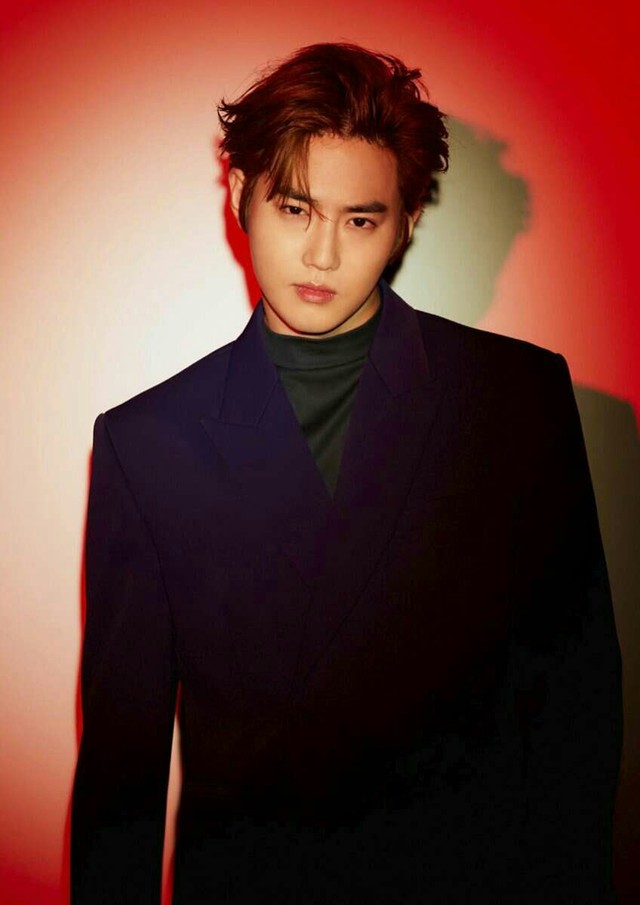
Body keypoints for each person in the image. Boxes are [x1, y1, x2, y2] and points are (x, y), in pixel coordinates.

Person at [71, 42, 622, 904]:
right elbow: (120, 776)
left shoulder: (515, 399)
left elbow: (573, 707)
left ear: (405, 223)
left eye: (360, 220)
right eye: (295, 208)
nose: (322, 255)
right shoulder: (146, 445)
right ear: (240, 193)